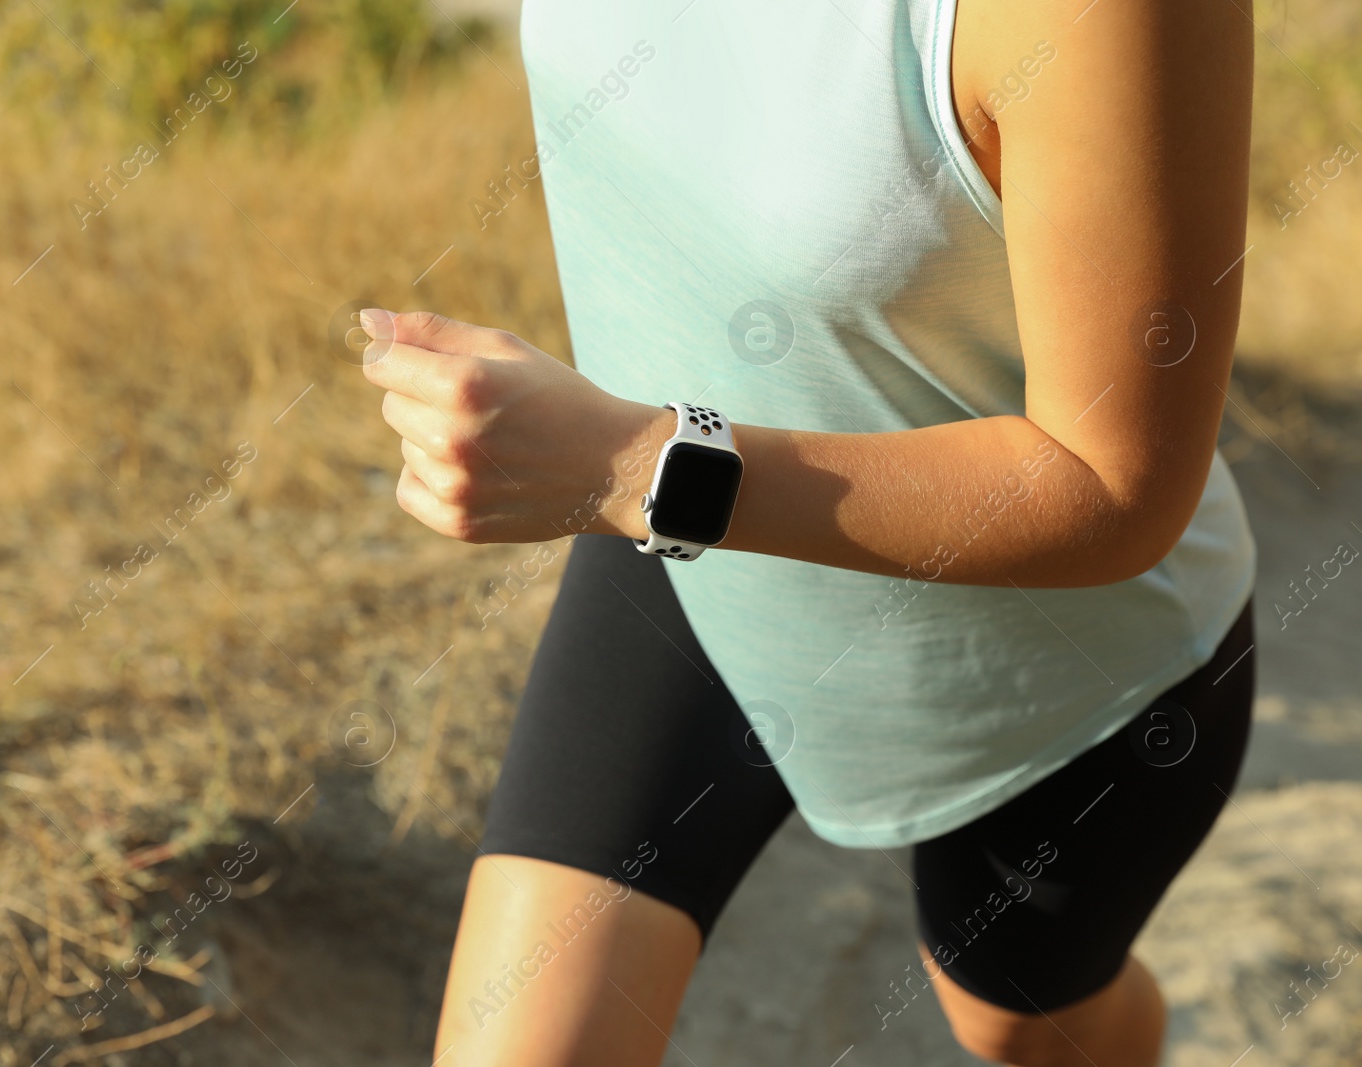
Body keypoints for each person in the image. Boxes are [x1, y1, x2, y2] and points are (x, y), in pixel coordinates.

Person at [359, 0, 1256, 1062]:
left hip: (1047, 666)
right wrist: (640, 468)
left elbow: (1113, 485)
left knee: (1021, 1024)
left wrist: (639, 465)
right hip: (692, 554)